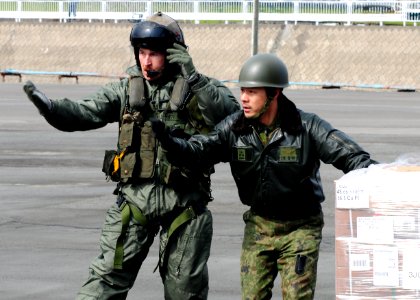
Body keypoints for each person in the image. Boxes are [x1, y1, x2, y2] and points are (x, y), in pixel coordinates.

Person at [23, 12, 240, 300]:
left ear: (175, 54)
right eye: (142, 53)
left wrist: (195, 79)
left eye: (154, 54)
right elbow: (84, 112)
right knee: (103, 284)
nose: (146, 61)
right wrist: (50, 108)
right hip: (135, 203)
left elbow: (231, 117)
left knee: (184, 292)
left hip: (184, 205)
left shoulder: (199, 89)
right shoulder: (126, 91)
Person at [151, 53, 378, 300]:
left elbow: (354, 158)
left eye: (252, 92)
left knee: (296, 297)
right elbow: (199, 150)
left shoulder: (306, 127)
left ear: (274, 94)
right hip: (259, 225)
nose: (244, 99)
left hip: (300, 228)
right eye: (243, 91)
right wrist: (169, 141)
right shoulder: (234, 128)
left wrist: (388, 186)